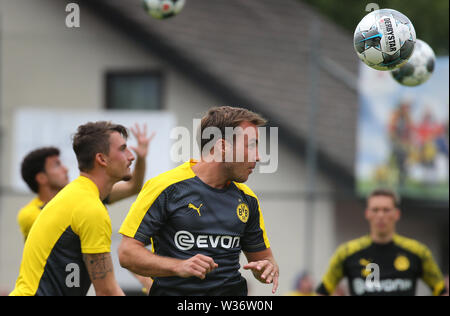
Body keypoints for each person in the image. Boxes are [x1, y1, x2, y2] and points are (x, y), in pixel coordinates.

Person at [118, 106, 279, 296]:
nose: (258, 156)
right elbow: (127, 253)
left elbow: (266, 260)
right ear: (222, 146)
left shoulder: (247, 199)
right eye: (251, 145)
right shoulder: (165, 188)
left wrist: (266, 269)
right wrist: (178, 266)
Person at [10, 121, 138, 296]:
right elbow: (107, 291)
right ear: (101, 159)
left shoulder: (79, 196)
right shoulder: (90, 208)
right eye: (123, 149)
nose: (131, 156)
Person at [17, 123, 154, 241]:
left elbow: (132, 187)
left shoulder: (84, 195)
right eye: (57, 165)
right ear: (41, 178)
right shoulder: (30, 214)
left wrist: (141, 158)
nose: (65, 169)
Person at [316, 188, 447, 296]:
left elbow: (441, 291)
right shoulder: (346, 253)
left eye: (386, 210)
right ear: (367, 213)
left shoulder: (418, 252)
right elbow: (322, 291)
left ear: (396, 214)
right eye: (375, 210)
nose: (380, 215)